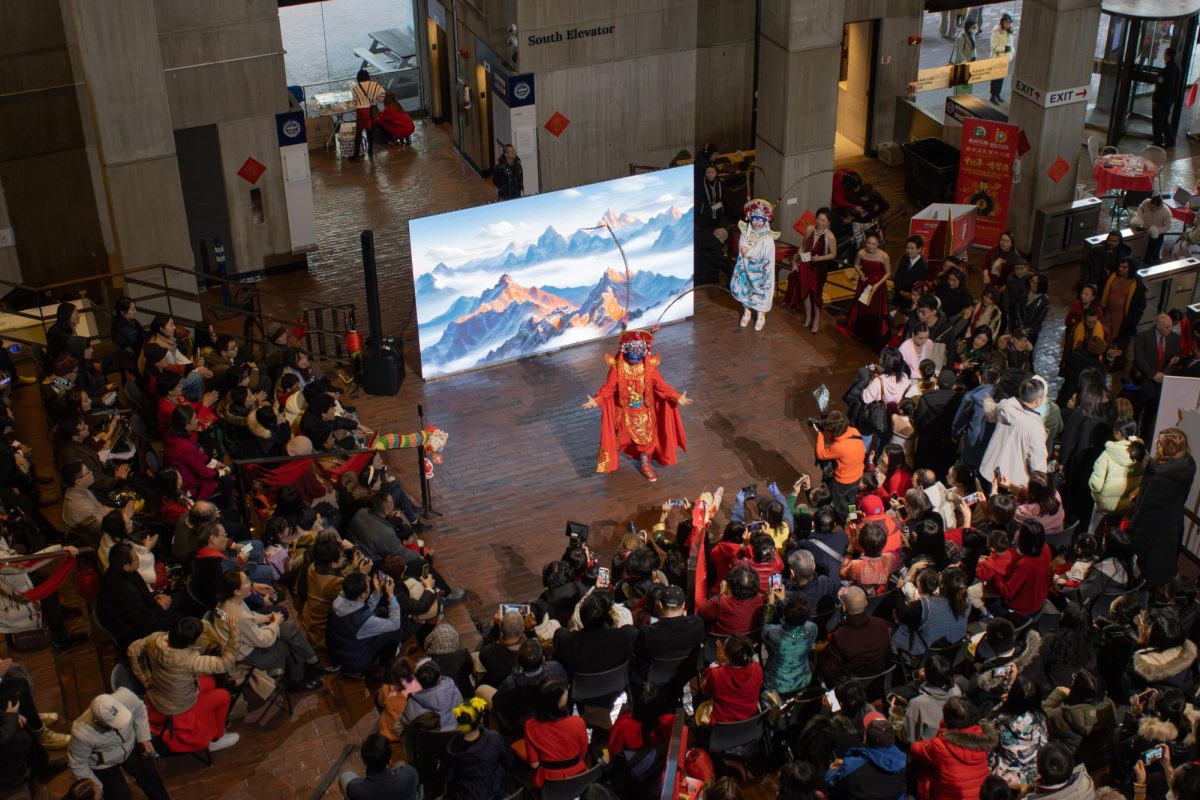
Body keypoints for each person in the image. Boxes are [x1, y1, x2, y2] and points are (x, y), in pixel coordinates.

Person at [582, 329, 691, 482]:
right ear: (625, 350)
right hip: (625, 412)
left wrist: (677, 397)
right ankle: (611, 459)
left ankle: (645, 464)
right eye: (632, 351)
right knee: (620, 440)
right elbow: (609, 388)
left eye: (639, 352)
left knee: (646, 442)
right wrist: (597, 400)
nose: (635, 355)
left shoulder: (648, 367)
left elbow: (661, 386)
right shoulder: (617, 368)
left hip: (645, 412)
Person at [127, 616, 240, 755]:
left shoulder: (154, 639)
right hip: (177, 706)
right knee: (223, 696)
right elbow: (226, 663)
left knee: (210, 681)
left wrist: (145, 678)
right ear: (192, 642)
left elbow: (132, 650)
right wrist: (234, 631)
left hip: (157, 695)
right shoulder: (191, 660)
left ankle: (214, 726)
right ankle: (217, 738)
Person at [213, 569, 333, 692]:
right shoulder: (238, 616)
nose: (250, 584)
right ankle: (298, 681)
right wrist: (275, 623)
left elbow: (250, 616)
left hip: (246, 643)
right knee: (286, 643)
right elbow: (263, 640)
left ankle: (311, 663)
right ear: (237, 591)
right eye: (246, 582)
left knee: (288, 627)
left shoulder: (226, 604)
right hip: (247, 658)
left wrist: (267, 617)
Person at [68, 691, 168, 800]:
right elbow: (77, 763)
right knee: (119, 797)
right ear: (97, 721)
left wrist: (143, 736)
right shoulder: (81, 732)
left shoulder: (126, 696)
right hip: (103, 764)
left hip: (130, 746)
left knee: (153, 781)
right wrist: (96, 787)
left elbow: (140, 710)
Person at [1130, 428, 1197, 590]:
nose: (1155, 444)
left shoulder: (1159, 477)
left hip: (1152, 532)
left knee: (1142, 576)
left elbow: (1145, 511)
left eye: (1158, 443)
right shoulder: (1188, 465)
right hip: (1172, 525)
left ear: (1167, 448)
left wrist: (1132, 537)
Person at [327, 571, 428, 675]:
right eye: (368, 585)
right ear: (362, 595)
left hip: (337, 650)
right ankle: (386, 663)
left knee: (382, 611)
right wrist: (391, 596)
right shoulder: (364, 621)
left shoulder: (339, 601)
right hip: (355, 662)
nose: (370, 583)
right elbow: (394, 624)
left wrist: (377, 591)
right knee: (396, 631)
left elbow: (362, 609)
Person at [909, 697, 996, 800]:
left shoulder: (941, 746)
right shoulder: (983, 736)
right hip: (980, 795)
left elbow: (915, 749)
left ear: (947, 720)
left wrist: (942, 730)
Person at [96, 543, 174, 653]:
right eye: (136, 558)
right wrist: (160, 607)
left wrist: (155, 596)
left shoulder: (118, 571)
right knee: (177, 616)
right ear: (126, 566)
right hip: (132, 633)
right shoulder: (123, 588)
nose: (139, 560)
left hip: (137, 616)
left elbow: (142, 596)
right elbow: (143, 621)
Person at [980, 377, 1049, 489]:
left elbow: (989, 411)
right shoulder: (1035, 427)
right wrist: (1041, 488)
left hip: (989, 471)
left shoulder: (1005, 406)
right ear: (1038, 400)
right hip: (1012, 483)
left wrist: (987, 399)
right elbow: (1038, 464)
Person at [816, 587, 889, 683]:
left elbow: (831, 671)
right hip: (878, 681)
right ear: (866, 603)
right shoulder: (882, 624)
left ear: (844, 607)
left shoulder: (840, 636)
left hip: (851, 687)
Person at [523, 680, 588, 788]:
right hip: (578, 778)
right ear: (558, 703)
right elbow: (583, 753)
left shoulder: (529, 726)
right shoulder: (578, 722)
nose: (567, 691)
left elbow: (534, 764)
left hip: (549, 783)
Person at [444, 699, 513, 800]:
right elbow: (509, 763)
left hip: (465, 795)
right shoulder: (495, 739)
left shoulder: (452, 748)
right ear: (480, 720)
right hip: (495, 791)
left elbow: (448, 776)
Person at [824, 717, 907, 800]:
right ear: (893, 740)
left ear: (865, 738)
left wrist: (833, 770)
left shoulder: (852, 766)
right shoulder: (904, 760)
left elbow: (831, 782)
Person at [730, 198, 779, 330]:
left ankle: (760, 315)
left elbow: (766, 254)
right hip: (746, 268)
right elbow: (742, 248)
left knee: (760, 291)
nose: (757, 223)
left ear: (765, 220)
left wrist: (750, 253)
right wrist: (747, 252)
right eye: (755, 219)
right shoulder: (745, 232)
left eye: (760, 220)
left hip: (760, 271)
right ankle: (746, 311)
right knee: (745, 289)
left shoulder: (768, 237)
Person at [989, 676, 1049, 785]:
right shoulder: (1041, 717)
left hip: (1009, 778)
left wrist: (1001, 706)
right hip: (1036, 772)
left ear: (1012, 697)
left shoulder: (1000, 723)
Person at [787, 207, 838, 334]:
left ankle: (816, 320)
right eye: (818, 219)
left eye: (823, 220)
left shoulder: (829, 236)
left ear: (828, 222)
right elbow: (803, 247)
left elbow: (833, 254)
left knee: (816, 295)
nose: (820, 222)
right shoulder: (810, 229)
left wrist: (820, 257)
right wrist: (796, 262)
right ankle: (809, 316)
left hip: (818, 269)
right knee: (805, 292)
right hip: (805, 265)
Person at [1132, 314, 1181, 437]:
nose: (1170, 330)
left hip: (1160, 385)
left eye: (1171, 327)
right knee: (1136, 412)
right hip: (1144, 382)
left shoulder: (1174, 338)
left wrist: (1172, 364)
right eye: (1166, 327)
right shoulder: (1142, 337)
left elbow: (1174, 358)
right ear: (1158, 325)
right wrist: (1153, 374)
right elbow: (1139, 358)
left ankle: (1144, 437)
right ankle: (1132, 435)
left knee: (1150, 415)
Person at [813, 410, 866, 521]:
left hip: (843, 482)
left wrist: (820, 434)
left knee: (840, 505)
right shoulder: (854, 431)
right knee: (851, 501)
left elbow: (820, 454)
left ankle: (843, 522)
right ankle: (853, 519)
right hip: (858, 476)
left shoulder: (839, 447)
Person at [1089, 416, 1147, 518]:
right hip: (1128, 504)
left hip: (1105, 505)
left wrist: (1095, 495)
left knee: (1093, 529)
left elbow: (1096, 485)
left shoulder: (1107, 455)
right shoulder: (1142, 453)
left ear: (1118, 433)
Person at [698, 633, 762, 724]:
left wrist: (719, 664)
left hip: (722, 725)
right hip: (751, 721)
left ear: (727, 655)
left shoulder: (715, 674)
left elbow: (705, 689)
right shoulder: (757, 669)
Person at [761, 593, 817, 696]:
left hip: (776, 683)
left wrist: (770, 605)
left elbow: (765, 627)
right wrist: (783, 601)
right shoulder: (811, 628)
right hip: (802, 680)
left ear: (785, 616)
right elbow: (795, 634)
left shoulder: (775, 632)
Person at [842, 233, 891, 346]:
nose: (870, 246)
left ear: (878, 244)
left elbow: (888, 273)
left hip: (877, 287)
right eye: (868, 243)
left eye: (873, 244)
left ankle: (873, 333)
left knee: (874, 310)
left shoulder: (884, 256)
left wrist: (877, 285)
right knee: (862, 309)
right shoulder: (861, 253)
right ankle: (861, 332)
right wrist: (861, 274)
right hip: (864, 284)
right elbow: (856, 265)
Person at [902, 655, 962, 744]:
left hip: (926, 751)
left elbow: (908, 739)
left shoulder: (916, 704)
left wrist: (895, 714)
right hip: (948, 741)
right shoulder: (956, 691)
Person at [1102, 258, 1147, 347]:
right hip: (1108, 314)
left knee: (1118, 343)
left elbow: (1141, 305)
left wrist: (1132, 321)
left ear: (1130, 269)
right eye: (1120, 266)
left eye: (1124, 267)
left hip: (1122, 320)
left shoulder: (1136, 285)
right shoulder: (1112, 277)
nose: (1120, 269)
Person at [348, 69, 384, 161]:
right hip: (371, 109)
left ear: (358, 77)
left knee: (359, 132)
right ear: (368, 76)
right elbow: (383, 94)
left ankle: (356, 155)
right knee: (370, 131)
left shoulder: (356, 88)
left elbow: (354, 101)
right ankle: (370, 151)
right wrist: (376, 101)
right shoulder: (374, 84)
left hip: (361, 110)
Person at [1153, 47, 1182, 148]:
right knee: (1164, 121)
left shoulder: (1166, 70)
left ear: (1168, 56)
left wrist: (1155, 98)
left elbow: (1161, 86)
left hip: (1161, 99)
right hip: (1168, 100)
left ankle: (1158, 142)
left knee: (1158, 121)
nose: (1163, 56)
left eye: (1165, 54)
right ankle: (1170, 142)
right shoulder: (1177, 70)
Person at [1135, 196, 1173, 265]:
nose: (1153, 209)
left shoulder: (1166, 212)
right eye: (1151, 207)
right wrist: (1139, 217)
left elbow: (1168, 226)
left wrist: (1156, 230)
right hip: (1145, 228)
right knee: (1143, 249)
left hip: (1158, 234)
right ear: (1150, 202)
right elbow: (1140, 208)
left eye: (1155, 208)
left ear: (1160, 205)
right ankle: (1142, 261)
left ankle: (1153, 265)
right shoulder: (1146, 202)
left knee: (1154, 252)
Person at [989, 13, 1015, 104]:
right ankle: (993, 96)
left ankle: (998, 94)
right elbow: (993, 47)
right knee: (995, 78)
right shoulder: (996, 31)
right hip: (997, 58)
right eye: (1007, 22)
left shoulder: (1010, 31)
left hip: (1006, 59)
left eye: (1010, 22)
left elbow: (1011, 45)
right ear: (1003, 22)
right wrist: (1005, 49)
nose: (1009, 24)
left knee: (1001, 78)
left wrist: (1012, 53)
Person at [1021, 274, 1051, 344]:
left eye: (1034, 283)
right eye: (1031, 281)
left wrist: (1026, 329)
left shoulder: (1044, 300)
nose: (1031, 284)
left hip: (1030, 331)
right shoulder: (1026, 291)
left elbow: (1039, 318)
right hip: (1020, 326)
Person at [950, 19, 978, 94]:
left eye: (976, 27)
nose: (976, 29)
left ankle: (965, 95)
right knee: (960, 83)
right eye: (974, 27)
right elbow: (959, 52)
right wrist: (964, 61)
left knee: (967, 81)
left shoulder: (972, 35)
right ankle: (958, 96)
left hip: (970, 61)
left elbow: (973, 48)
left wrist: (975, 56)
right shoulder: (961, 37)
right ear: (969, 27)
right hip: (962, 63)